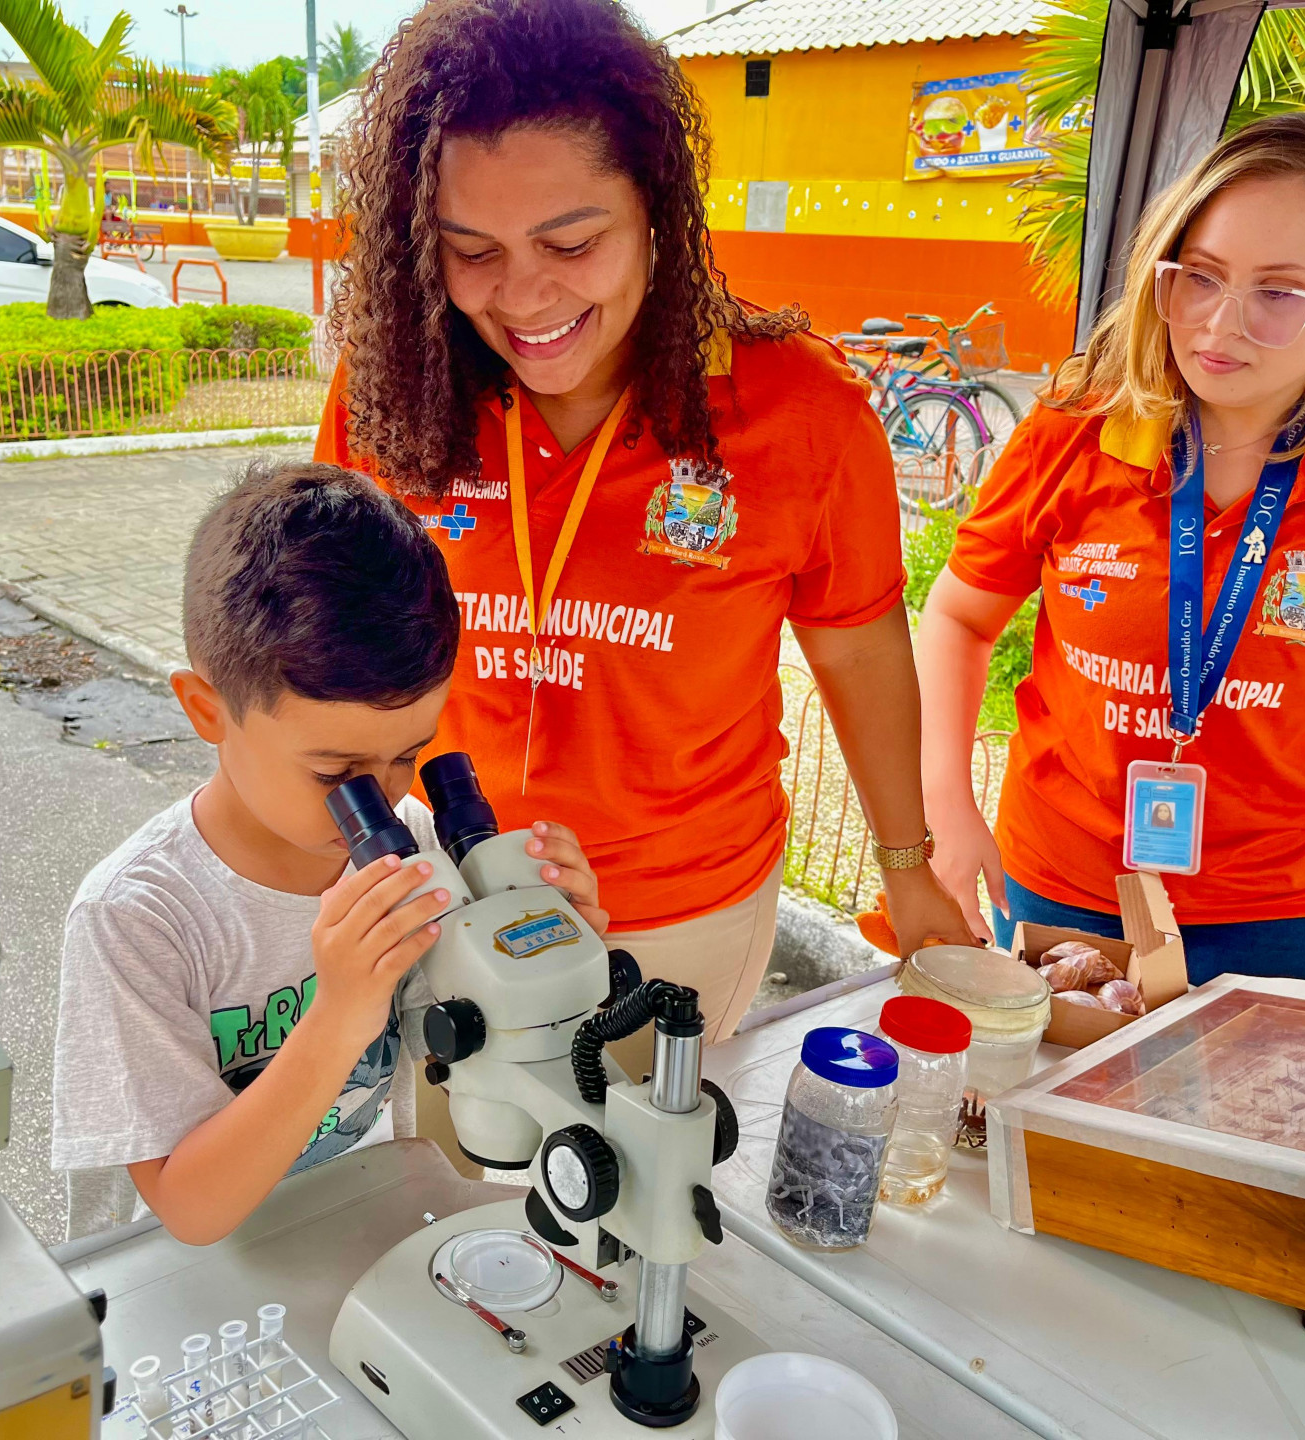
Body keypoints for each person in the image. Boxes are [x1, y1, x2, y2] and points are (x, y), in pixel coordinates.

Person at [316, 0, 973, 1045]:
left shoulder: (801, 408)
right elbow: (332, 638)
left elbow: (858, 650)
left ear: (655, 208)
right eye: (469, 248)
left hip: (685, 912)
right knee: (458, 1183)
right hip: (451, 898)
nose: (522, 297)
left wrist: (910, 866)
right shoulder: (393, 388)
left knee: (647, 1181)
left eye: (571, 240)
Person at [917, 112, 1305, 997]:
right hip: (1066, 891)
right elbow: (958, 615)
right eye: (1201, 277)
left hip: (1287, 923)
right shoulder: (1080, 426)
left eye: (1279, 293)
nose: (1218, 326)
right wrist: (945, 809)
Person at [50, 461, 606, 1243]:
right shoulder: (138, 918)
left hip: (360, 1222)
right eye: (337, 774)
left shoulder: (413, 843)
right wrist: (339, 1014)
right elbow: (189, 1209)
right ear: (207, 710)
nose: (378, 801)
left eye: (410, 755)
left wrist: (542, 954)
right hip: (199, 1286)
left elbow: (467, 1041)